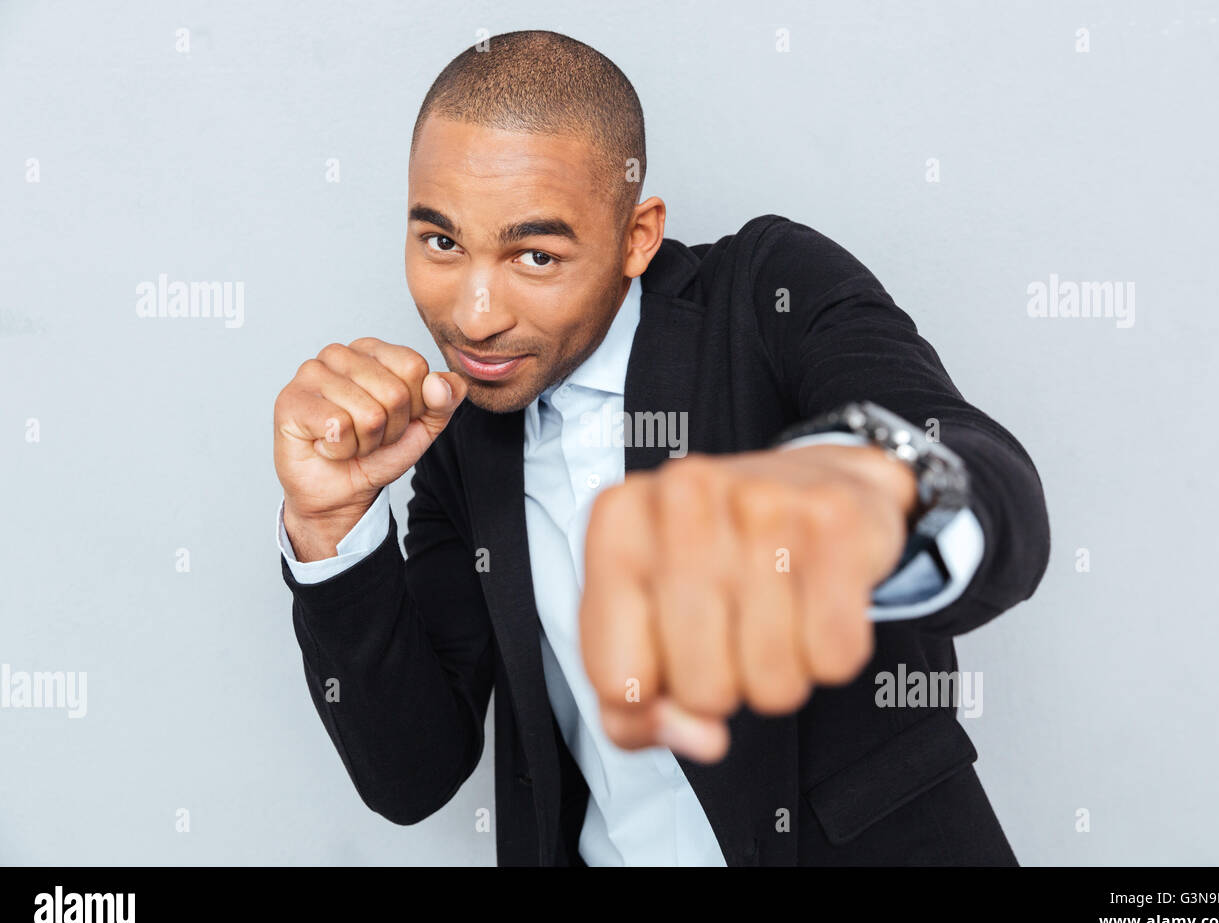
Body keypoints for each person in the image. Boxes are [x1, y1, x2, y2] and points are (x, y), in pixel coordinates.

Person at [272, 29, 1051, 865]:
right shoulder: (462, 440)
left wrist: (857, 507)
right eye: (442, 243)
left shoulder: (765, 295)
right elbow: (412, 775)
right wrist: (332, 525)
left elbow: (974, 465)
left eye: (536, 254)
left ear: (638, 236)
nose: (475, 314)